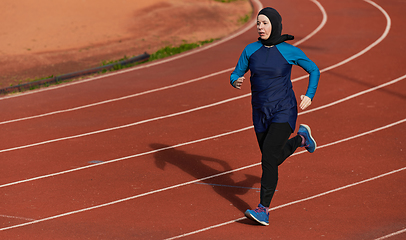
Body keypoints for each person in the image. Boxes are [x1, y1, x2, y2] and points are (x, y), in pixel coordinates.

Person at [230, 7, 320, 226]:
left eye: (264, 23)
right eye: (258, 23)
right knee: (273, 157)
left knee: (268, 157)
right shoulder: (250, 50)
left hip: (284, 110)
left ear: (275, 25)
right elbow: (236, 72)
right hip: (259, 112)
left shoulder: (288, 51)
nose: (260, 27)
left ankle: (263, 209)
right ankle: (301, 139)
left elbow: (314, 70)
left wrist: (309, 95)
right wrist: (235, 80)